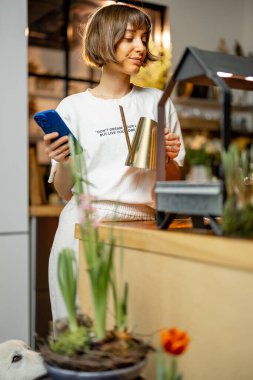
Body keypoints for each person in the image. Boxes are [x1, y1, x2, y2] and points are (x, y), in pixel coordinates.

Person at [43, 3, 185, 321]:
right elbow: (67, 192)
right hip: (83, 228)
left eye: (144, 38)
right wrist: (64, 161)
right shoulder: (73, 108)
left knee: (136, 331)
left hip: (143, 229)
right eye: (130, 38)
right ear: (106, 40)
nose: (140, 47)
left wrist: (169, 158)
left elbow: (171, 187)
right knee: (81, 338)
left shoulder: (157, 102)